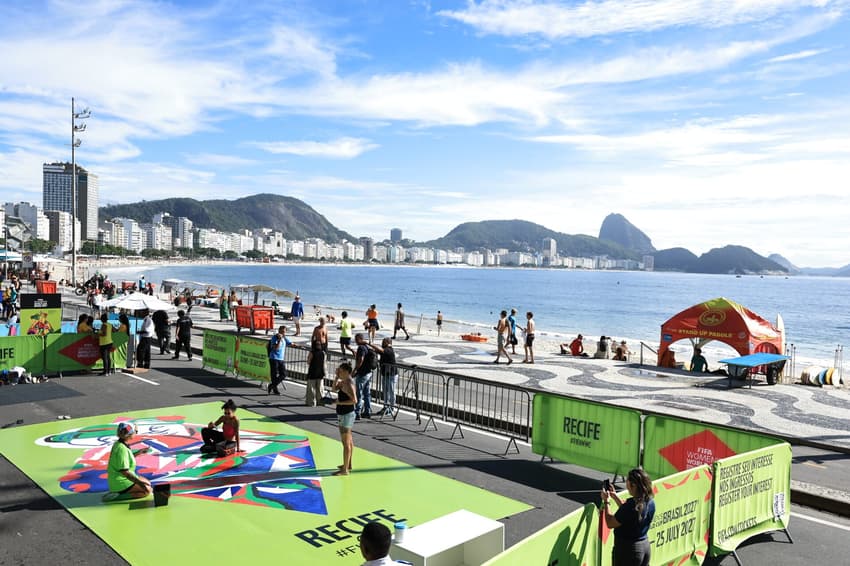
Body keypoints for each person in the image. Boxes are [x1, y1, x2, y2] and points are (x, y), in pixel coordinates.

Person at [601, 468, 656, 566]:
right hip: (644, 546)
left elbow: (610, 522)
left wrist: (606, 502)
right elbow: (629, 514)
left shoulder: (630, 506)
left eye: (627, 481)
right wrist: (615, 497)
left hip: (628, 551)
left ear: (633, 485)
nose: (626, 484)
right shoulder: (650, 501)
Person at [103, 422, 151, 502]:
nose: (136, 433)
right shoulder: (122, 449)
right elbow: (125, 472)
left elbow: (124, 460)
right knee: (146, 491)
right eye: (136, 431)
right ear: (130, 434)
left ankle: (120, 491)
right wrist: (140, 483)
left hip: (118, 478)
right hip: (120, 482)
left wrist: (138, 453)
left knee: (147, 483)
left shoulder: (119, 444)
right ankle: (116, 496)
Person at [332, 362, 357, 476]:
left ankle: (345, 470)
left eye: (340, 371)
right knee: (349, 440)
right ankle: (348, 464)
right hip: (343, 413)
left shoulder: (349, 383)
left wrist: (340, 402)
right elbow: (333, 389)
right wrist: (336, 377)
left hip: (346, 413)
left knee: (346, 441)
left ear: (346, 371)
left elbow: (354, 400)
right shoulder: (344, 382)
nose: (339, 372)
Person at [370, 337, 397, 417]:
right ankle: (385, 406)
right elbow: (377, 350)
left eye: (383, 342)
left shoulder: (389, 350)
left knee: (391, 391)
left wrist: (371, 344)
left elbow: (381, 350)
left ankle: (392, 408)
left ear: (388, 343)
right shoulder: (385, 350)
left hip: (391, 374)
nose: (382, 343)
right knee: (385, 391)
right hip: (385, 374)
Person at [305, 319, 327, 407]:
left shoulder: (313, 353)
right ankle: (320, 401)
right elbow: (324, 364)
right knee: (320, 388)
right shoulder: (322, 353)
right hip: (320, 371)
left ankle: (312, 402)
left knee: (312, 388)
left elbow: (308, 361)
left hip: (313, 371)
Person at [353, 333, 374, 419]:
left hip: (362, 373)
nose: (355, 341)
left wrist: (355, 369)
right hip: (368, 372)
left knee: (359, 393)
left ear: (360, 339)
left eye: (356, 339)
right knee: (367, 393)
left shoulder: (361, 348)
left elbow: (361, 359)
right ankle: (367, 411)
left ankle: (357, 412)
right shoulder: (367, 347)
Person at [268, 325, 291, 395]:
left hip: (281, 359)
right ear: (279, 331)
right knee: (274, 374)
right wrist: (279, 340)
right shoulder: (275, 338)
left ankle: (272, 385)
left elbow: (290, 343)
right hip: (274, 358)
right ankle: (275, 389)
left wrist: (297, 345)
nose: (282, 333)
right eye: (281, 331)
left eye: (284, 332)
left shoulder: (284, 338)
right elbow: (276, 348)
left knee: (283, 374)